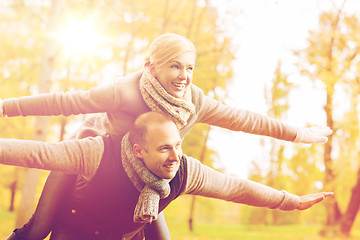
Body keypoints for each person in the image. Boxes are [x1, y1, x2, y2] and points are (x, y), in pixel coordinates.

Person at [0, 33, 332, 239]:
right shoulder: (122, 93)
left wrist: (299, 135)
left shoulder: (193, 103)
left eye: (189, 68)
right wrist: (5, 107)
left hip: (150, 181)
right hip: (95, 164)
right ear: (151, 66)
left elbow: (243, 121)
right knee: (38, 229)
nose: (184, 76)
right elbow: (63, 102)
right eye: (175, 66)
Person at [2, 112, 333, 239]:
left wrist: (290, 201)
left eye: (178, 146)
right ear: (138, 151)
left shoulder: (184, 170)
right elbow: (35, 153)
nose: (176, 157)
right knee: (36, 232)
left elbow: (235, 188)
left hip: (124, 227)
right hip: (76, 223)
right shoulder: (95, 151)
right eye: (164, 149)